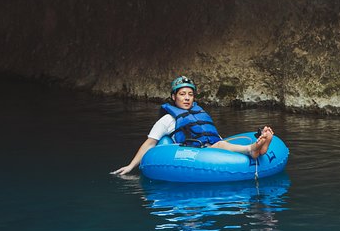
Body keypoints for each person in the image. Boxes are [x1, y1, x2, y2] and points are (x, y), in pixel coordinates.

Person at [111, 75, 274, 175]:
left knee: (221, 143)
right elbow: (150, 143)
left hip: (211, 146)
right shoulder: (167, 120)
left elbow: (213, 135)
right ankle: (252, 149)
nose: (187, 98)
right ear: (174, 97)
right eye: (182, 94)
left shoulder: (200, 113)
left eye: (190, 94)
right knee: (221, 144)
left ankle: (257, 147)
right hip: (194, 153)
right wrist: (131, 166)